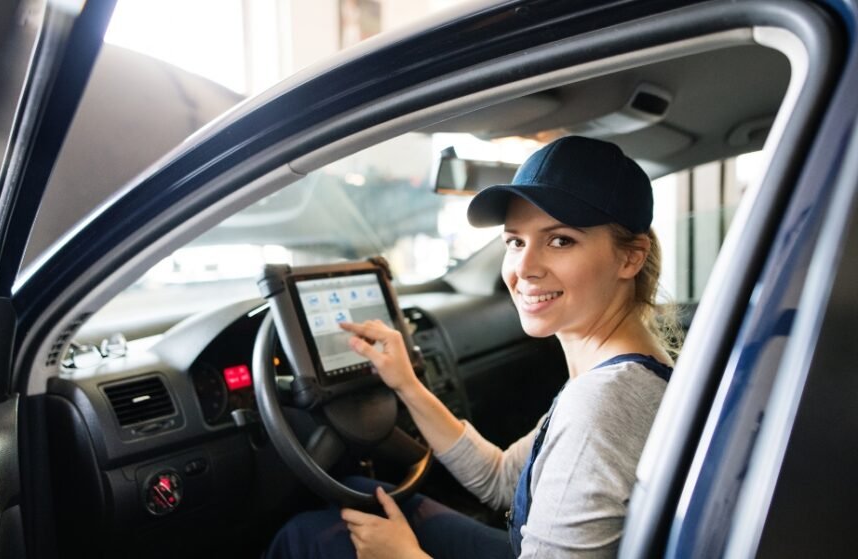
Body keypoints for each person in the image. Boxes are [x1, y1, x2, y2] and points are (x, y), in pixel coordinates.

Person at [267, 136, 678, 559]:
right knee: (354, 495)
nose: (524, 268)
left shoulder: (599, 407)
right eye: (515, 241)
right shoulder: (628, 374)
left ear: (630, 259)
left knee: (308, 538)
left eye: (560, 240)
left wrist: (405, 557)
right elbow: (503, 479)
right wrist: (408, 384)